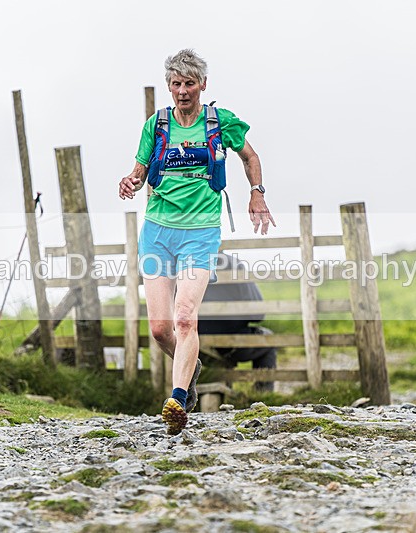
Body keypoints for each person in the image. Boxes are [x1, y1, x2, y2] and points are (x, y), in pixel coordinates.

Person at [119, 49, 276, 435]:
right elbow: (140, 169)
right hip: (157, 231)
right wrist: (131, 180)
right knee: (159, 328)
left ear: (202, 84)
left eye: (190, 83)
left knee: (185, 316)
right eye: (176, 84)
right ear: (169, 86)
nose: (183, 91)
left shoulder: (220, 122)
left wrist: (257, 192)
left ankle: (178, 396)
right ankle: (192, 366)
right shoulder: (155, 125)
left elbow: (250, 156)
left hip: (201, 232)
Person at [198, 253, 277, 392]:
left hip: (193, 344)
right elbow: (258, 313)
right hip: (231, 344)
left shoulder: (184, 262)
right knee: (268, 339)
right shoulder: (232, 263)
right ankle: (262, 395)